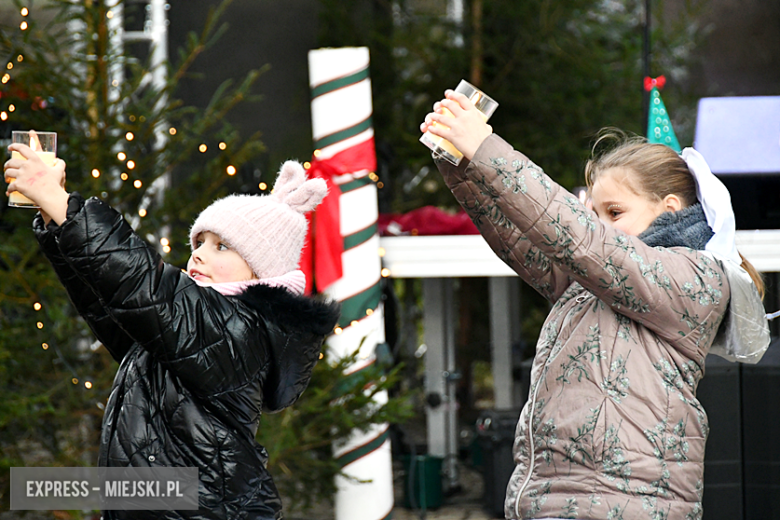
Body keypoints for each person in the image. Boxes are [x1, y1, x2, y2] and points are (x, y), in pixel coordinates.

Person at [420, 90, 769, 519]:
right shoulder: (592, 279)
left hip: (624, 504)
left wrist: (486, 147)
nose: (601, 225)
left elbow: (579, 237)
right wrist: (460, 161)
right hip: (556, 499)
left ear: (670, 209)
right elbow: (525, 236)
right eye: (595, 213)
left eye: (614, 212)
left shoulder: (695, 277)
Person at [4, 145, 341, 520]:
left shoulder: (239, 331)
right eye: (199, 243)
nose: (198, 254)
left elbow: (142, 285)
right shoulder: (189, 329)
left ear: (261, 272)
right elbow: (114, 307)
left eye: (222, 246)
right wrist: (57, 220)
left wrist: (61, 201)